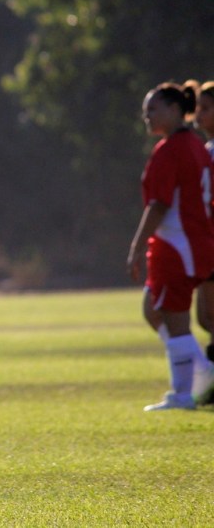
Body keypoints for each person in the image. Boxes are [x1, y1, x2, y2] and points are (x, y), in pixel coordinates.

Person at [127, 82, 214, 411]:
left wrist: (137, 245)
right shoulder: (195, 145)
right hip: (194, 241)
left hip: (178, 244)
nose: (147, 116)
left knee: (177, 320)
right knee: (153, 308)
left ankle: (182, 394)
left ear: (176, 110)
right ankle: (204, 372)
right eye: (145, 110)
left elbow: (159, 204)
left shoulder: (171, 150)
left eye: (154, 108)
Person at [191, 79, 214, 372]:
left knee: (210, 316)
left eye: (206, 108)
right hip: (205, 239)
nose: (198, 113)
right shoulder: (205, 148)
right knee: (205, 317)